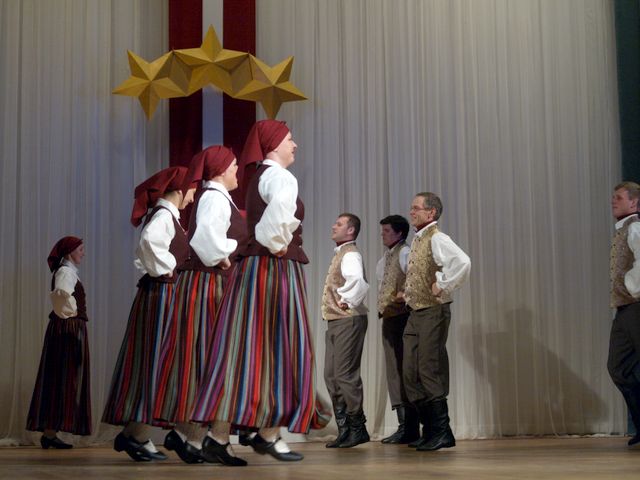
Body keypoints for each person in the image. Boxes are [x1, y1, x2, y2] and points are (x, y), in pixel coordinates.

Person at [190, 120, 330, 462]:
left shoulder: (259, 178)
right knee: (283, 346)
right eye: (290, 139)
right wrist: (277, 243)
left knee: (246, 350)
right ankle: (266, 434)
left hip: (254, 270)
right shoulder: (280, 177)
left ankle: (224, 436)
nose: (294, 145)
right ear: (274, 145)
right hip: (272, 269)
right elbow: (277, 223)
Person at [155, 145, 248, 466]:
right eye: (233, 166)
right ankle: (196, 436)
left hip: (210, 283)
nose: (237, 171)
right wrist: (226, 255)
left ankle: (191, 436)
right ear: (220, 171)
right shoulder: (214, 198)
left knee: (208, 361)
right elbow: (205, 240)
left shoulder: (217, 197)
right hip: (210, 285)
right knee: (214, 360)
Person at [102, 166, 196, 462]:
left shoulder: (168, 216)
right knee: (156, 362)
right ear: (179, 190)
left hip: (163, 294)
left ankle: (134, 434)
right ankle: (136, 436)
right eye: (191, 191)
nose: (192, 197)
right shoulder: (163, 216)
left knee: (157, 364)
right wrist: (168, 269)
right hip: (161, 296)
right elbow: (148, 245)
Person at [403, 192, 470, 451]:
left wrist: (443, 284)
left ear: (431, 212)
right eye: (412, 208)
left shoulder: (437, 238)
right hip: (415, 311)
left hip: (433, 310)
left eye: (416, 208)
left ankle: (442, 431)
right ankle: (430, 429)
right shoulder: (419, 239)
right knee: (410, 371)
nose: (412, 212)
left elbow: (463, 262)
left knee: (429, 368)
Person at [26, 236, 91, 448]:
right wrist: (72, 316)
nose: (83, 253)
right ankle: (49, 433)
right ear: (70, 252)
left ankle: (50, 434)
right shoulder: (65, 272)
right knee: (62, 378)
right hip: (67, 330)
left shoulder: (68, 271)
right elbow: (61, 296)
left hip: (67, 328)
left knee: (60, 379)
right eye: (80, 249)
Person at [322, 213, 370, 448]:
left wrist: (347, 300)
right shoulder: (341, 253)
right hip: (335, 321)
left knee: (345, 375)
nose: (334, 226)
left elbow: (358, 280)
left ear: (350, 230)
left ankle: (357, 428)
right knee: (331, 375)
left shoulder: (350, 254)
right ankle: (345, 429)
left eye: (339, 224)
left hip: (348, 320)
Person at [376, 215, 419, 444]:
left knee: (404, 370)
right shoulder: (387, 257)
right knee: (394, 370)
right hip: (390, 318)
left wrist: (404, 294)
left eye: (386, 231)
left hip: (403, 317)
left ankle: (410, 427)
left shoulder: (404, 252)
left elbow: (416, 277)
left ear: (399, 233)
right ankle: (404, 426)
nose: (382, 234)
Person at [607, 181, 640, 446]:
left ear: (634, 202)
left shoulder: (636, 228)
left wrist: (632, 288)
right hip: (625, 309)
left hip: (636, 305)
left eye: (619, 197)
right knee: (618, 368)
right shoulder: (624, 229)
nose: (613, 201)